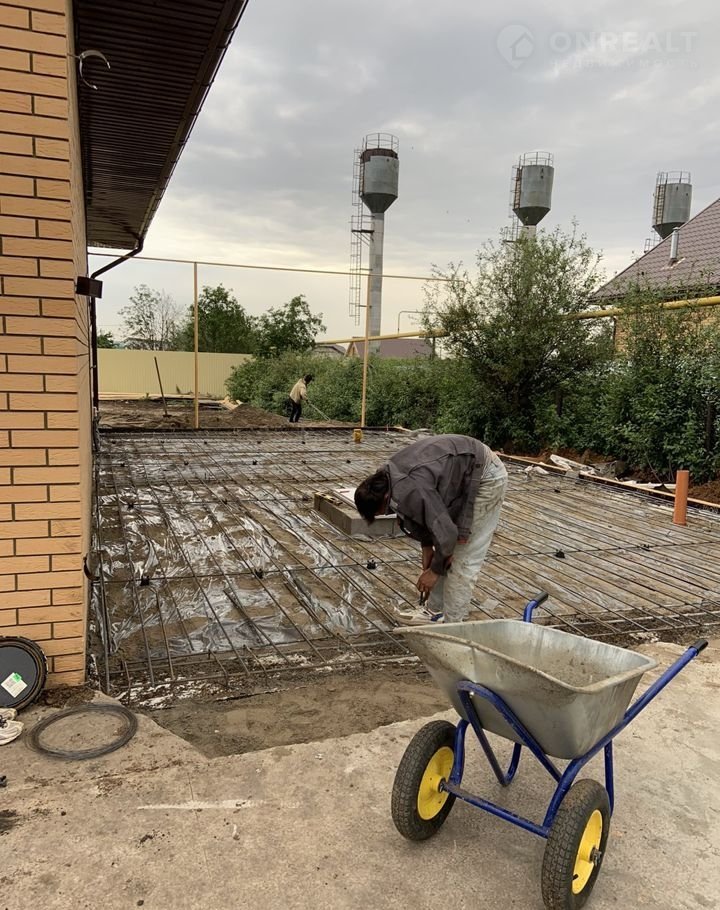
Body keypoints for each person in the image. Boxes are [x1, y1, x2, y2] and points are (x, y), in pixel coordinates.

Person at [354, 434, 507, 624]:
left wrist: (434, 572)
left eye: (382, 512)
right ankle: (434, 612)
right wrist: (427, 547)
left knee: (463, 560)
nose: (386, 514)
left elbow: (447, 534)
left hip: (485, 475)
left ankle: (452, 626)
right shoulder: (385, 479)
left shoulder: (410, 488)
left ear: (385, 499)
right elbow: (426, 514)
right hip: (460, 474)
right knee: (443, 554)